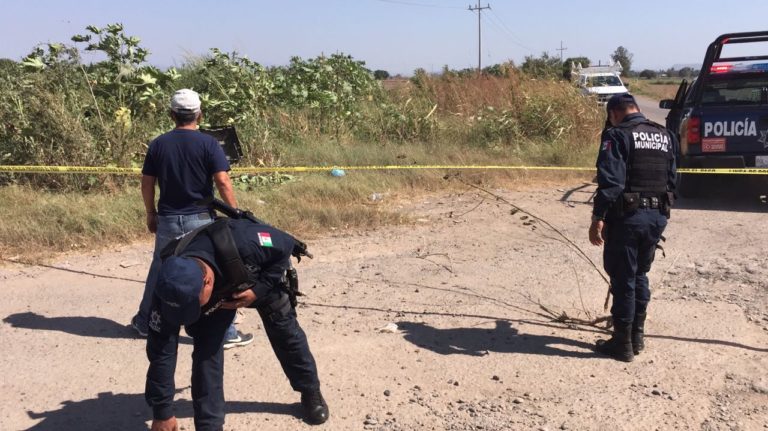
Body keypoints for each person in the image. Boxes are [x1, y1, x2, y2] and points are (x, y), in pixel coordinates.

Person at [145, 217, 329, 430]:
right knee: (208, 355)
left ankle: (310, 390)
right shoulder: (170, 283)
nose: (187, 318)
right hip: (220, 299)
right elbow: (161, 352)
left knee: (285, 332)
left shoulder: (245, 241)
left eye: (191, 309)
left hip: (258, 278)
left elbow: (285, 244)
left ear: (207, 282)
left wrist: (258, 290)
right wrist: (162, 413)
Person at [131, 89, 252, 349]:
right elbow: (223, 181)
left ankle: (144, 322)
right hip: (201, 219)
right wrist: (235, 215)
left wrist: (151, 213)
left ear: (171, 114)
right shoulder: (209, 144)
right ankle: (226, 332)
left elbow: (147, 183)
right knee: (213, 272)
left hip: (169, 218)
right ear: (200, 114)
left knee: (161, 269)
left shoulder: (158, 144)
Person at [588, 93, 677, 362]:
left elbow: (612, 182)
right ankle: (637, 337)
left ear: (614, 113)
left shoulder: (617, 135)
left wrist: (598, 217)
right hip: (657, 216)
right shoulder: (664, 135)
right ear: (636, 108)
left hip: (628, 217)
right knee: (640, 275)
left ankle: (622, 344)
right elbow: (673, 178)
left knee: (624, 278)